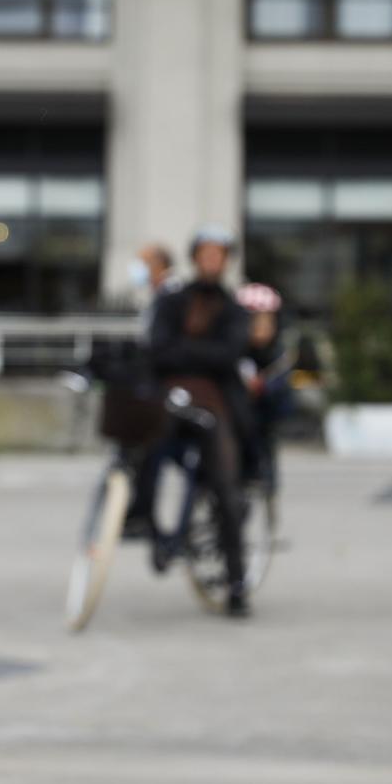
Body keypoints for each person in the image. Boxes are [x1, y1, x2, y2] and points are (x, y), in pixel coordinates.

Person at [147, 227, 254, 617]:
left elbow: (228, 355)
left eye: (219, 255)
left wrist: (184, 352)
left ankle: (237, 580)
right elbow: (157, 349)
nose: (212, 261)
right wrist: (200, 354)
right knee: (146, 446)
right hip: (170, 397)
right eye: (206, 254)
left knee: (226, 486)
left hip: (215, 403)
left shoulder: (234, 309)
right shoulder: (173, 301)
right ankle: (148, 524)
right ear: (195, 258)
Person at [237, 282, 294, 492]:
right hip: (236, 408)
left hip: (265, 409)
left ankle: (263, 472)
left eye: (266, 322)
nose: (260, 328)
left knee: (261, 432)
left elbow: (281, 382)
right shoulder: (234, 349)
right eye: (253, 322)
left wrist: (264, 388)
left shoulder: (278, 354)